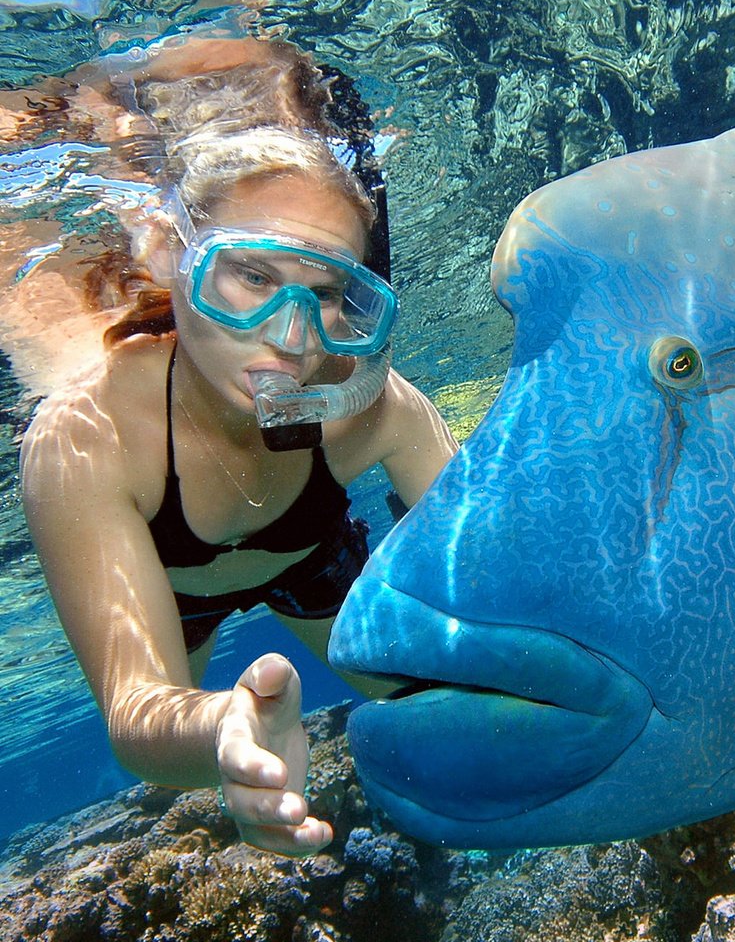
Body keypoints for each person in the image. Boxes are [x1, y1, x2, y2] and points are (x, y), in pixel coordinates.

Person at [17, 58, 457, 857]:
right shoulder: (89, 435)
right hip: (176, 594)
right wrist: (226, 726)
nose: (292, 339)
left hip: (309, 557)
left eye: (326, 293)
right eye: (251, 274)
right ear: (165, 251)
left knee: (424, 695)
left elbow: (495, 559)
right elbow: (138, 713)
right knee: (172, 773)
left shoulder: (372, 405)